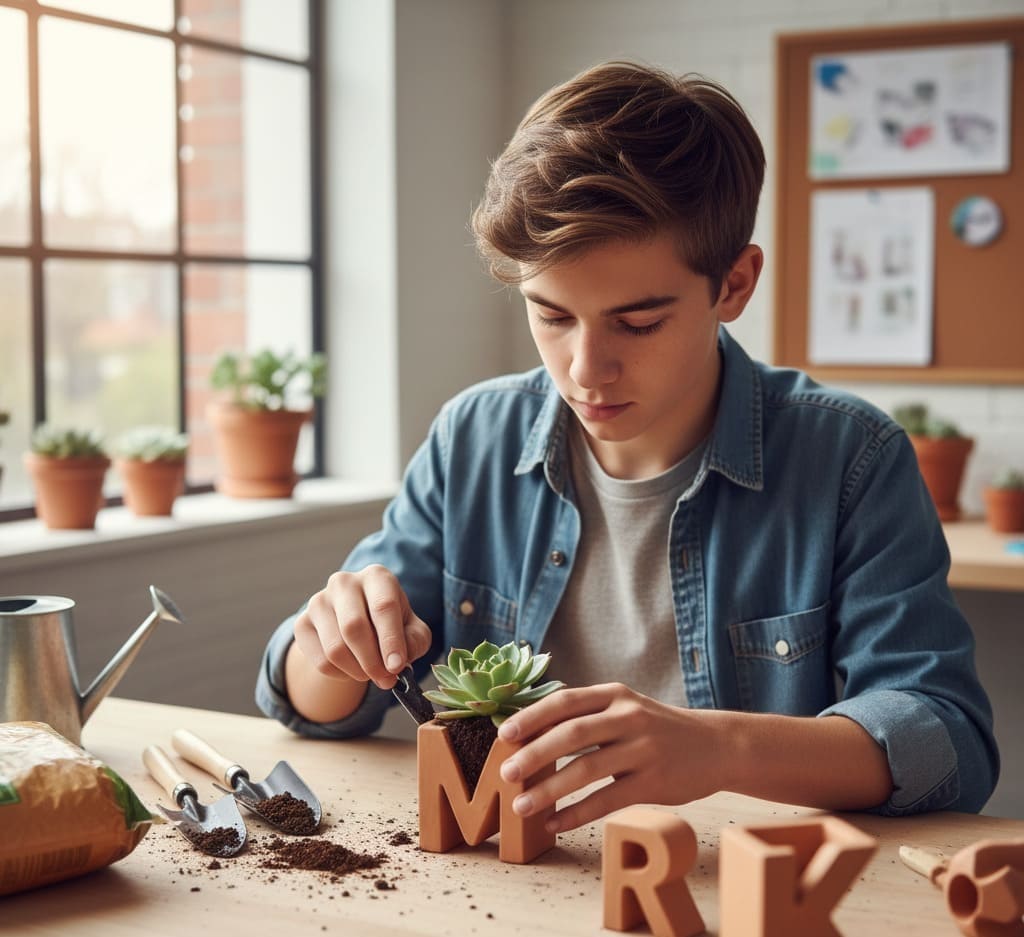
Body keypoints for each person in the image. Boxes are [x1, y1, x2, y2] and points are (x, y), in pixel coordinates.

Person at [256, 61, 998, 832]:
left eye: (638, 323)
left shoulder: (852, 457)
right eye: (550, 315)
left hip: (734, 892)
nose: (585, 369)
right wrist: (328, 649)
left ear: (735, 285)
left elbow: (947, 740)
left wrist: (721, 747)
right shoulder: (473, 436)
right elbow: (312, 706)